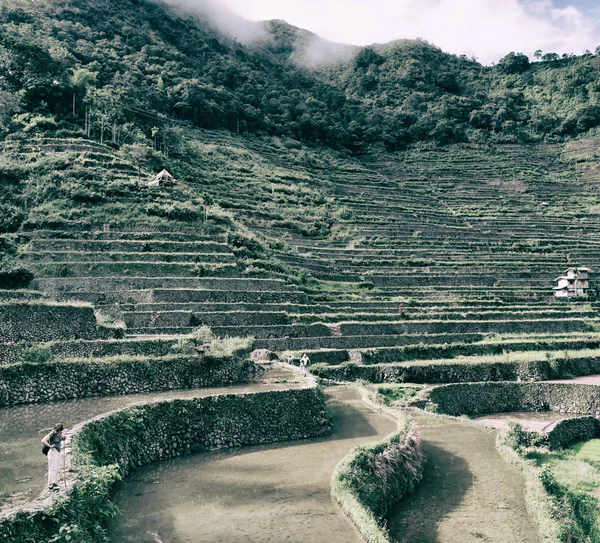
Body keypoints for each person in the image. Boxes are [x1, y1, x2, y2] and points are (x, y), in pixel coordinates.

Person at [42, 423, 66, 491]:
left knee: (57, 467)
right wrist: (50, 446)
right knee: (52, 468)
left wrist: (63, 437)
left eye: (59, 430)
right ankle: (51, 484)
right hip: (52, 452)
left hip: (57, 452)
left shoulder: (60, 433)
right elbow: (43, 440)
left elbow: (62, 438)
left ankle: (55, 482)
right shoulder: (52, 433)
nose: (57, 431)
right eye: (57, 430)